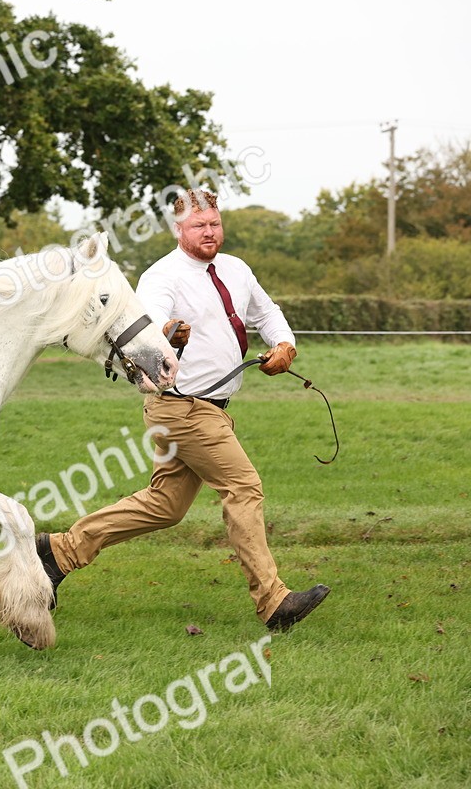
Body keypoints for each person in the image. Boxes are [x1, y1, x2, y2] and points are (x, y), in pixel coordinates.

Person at [36, 189, 329, 632]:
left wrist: (285, 344)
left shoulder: (236, 269)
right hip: (183, 407)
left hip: (208, 408)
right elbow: (149, 327)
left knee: (165, 506)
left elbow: (267, 312)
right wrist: (171, 332)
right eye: (199, 226)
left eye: (214, 223)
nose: (209, 232)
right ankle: (274, 601)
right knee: (243, 487)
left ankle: (58, 552)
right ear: (179, 230)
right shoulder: (162, 277)